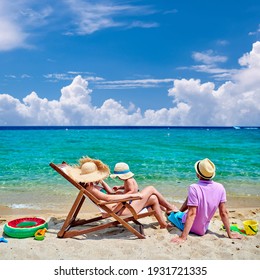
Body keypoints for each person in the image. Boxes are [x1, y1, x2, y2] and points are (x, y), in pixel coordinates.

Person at [67, 156, 178, 229]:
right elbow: (108, 199)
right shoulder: (91, 189)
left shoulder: (91, 186)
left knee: (153, 198)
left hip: (120, 207)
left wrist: (102, 183)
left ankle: (163, 224)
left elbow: (108, 195)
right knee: (151, 189)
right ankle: (169, 207)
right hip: (121, 210)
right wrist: (132, 195)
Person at [168, 158, 243, 243]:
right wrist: (230, 234)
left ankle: (176, 213)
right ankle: (179, 211)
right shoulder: (220, 187)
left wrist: (183, 237)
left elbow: (192, 214)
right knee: (190, 198)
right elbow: (223, 212)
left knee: (170, 215)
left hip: (192, 227)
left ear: (198, 174)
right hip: (203, 228)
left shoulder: (194, 187)